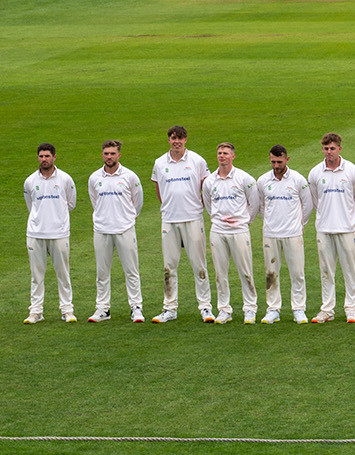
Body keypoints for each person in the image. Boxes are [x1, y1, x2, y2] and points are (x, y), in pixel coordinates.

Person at [150, 125, 213, 323]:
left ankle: (205, 308)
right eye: (173, 138)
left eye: (180, 138)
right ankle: (170, 308)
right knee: (169, 266)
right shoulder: (160, 162)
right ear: (168, 140)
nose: (176, 141)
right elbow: (159, 189)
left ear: (186, 140)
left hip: (193, 218)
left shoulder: (197, 160)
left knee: (199, 265)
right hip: (169, 219)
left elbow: (207, 187)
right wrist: (170, 206)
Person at [308, 132, 355, 323]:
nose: (329, 152)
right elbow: (315, 200)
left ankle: (351, 308)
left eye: (332, 148)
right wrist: (326, 215)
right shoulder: (315, 172)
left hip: (347, 228)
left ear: (340, 148)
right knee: (326, 271)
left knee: (350, 270)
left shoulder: (352, 171)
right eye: (326, 149)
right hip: (324, 228)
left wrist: (348, 216)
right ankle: (327, 310)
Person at [86, 140, 143, 323]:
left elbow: (138, 202)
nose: (109, 157)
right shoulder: (95, 177)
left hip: (125, 229)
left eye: (112, 153)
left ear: (119, 155)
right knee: (102, 272)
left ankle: (136, 308)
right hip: (102, 229)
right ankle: (103, 309)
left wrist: (127, 218)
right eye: (106, 153)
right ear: (102, 155)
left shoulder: (130, 176)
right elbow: (95, 201)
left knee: (131, 270)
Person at [254, 144, 312, 324]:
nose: (276, 165)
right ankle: (273, 309)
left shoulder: (298, 179)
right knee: (271, 272)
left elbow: (307, 204)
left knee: (297, 273)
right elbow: (261, 206)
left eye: (279, 161)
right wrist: (270, 221)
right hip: (270, 233)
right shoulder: (263, 181)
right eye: (273, 161)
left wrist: (299, 224)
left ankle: (299, 309)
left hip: (293, 233)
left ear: (287, 160)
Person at [202, 142, 259, 324]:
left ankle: (250, 309)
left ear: (233, 156)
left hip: (239, 231)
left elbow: (255, 203)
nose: (222, 156)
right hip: (218, 231)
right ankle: (224, 309)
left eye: (225, 153)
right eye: (219, 153)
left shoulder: (244, 178)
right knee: (220, 273)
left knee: (245, 271)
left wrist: (243, 221)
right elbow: (209, 205)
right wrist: (219, 219)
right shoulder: (210, 181)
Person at [24, 143, 76, 324]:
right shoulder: (30, 181)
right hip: (35, 233)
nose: (44, 159)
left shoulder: (65, 179)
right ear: (37, 158)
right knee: (36, 274)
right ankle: (36, 311)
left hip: (59, 233)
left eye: (47, 156)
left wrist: (56, 218)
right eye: (41, 156)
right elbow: (31, 206)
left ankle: (67, 310)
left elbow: (71, 203)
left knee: (63, 273)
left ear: (54, 156)